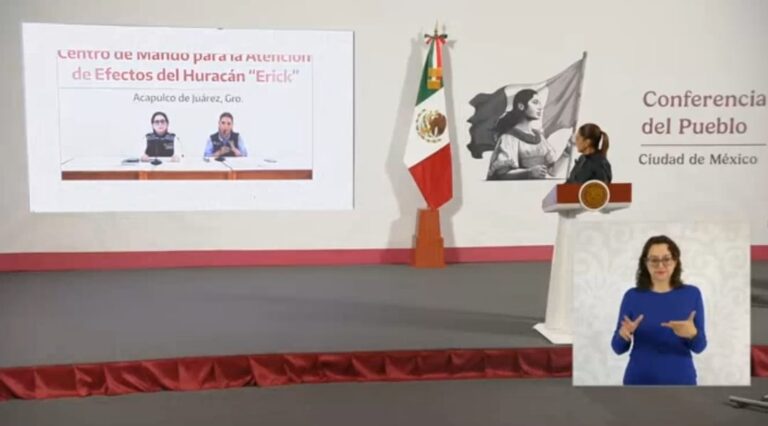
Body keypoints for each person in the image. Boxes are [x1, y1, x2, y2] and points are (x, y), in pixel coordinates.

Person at [611, 235, 707, 385]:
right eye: (654, 260)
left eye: (666, 259)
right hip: (638, 382)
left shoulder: (692, 294)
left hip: (681, 383)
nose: (660, 265)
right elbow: (618, 348)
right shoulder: (632, 296)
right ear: (645, 263)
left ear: (675, 261)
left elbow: (700, 347)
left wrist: (693, 334)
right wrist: (623, 335)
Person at [486, 89, 571, 180]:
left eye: (539, 103)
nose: (540, 107)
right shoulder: (509, 138)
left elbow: (552, 172)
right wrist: (528, 173)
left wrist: (567, 152)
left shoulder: (539, 137)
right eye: (535, 102)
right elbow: (502, 174)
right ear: (521, 106)